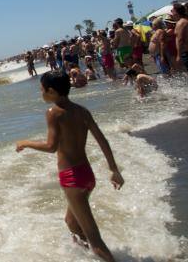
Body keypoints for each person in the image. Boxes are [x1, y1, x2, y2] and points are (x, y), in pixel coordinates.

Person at [15, 71, 123, 262]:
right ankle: (89, 257)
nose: (40, 92)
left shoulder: (53, 113)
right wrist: (114, 170)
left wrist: (25, 142)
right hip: (87, 176)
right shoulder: (82, 111)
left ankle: (102, 256)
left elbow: (51, 146)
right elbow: (102, 140)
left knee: (95, 239)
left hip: (72, 179)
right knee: (71, 222)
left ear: (51, 91)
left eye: (42, 89)